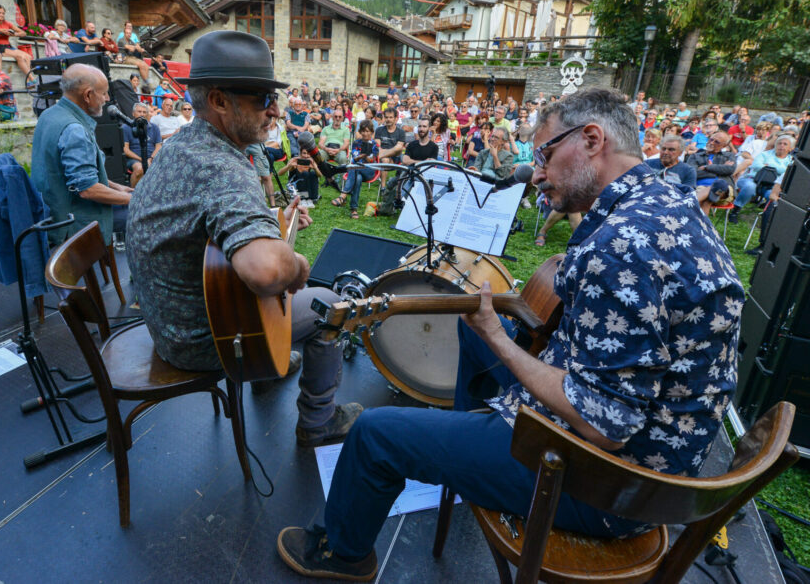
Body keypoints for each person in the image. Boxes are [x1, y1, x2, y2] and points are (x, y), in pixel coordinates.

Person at [277, 88, 745, 581]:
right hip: (647, 451)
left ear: (591, 140)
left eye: (544, 153)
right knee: (476, 326)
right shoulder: (664, 199)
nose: (537, 171)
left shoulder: (622, 247)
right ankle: (468, 455)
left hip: (610, 483)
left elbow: (604, 425)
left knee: (376, 434)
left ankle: (345, 556)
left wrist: (502, 342)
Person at [124, 30, 360, 447]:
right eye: (261, 99)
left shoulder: (183, 147)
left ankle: (271, 367)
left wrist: (275, 224)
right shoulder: (221, 166)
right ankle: (318, 421)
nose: (274, 110)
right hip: (207, 337)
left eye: (275, 98)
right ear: (218, 100)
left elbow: (209, 226)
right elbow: (266, 270)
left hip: (169, 323)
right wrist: (297, 264)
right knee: (332, 305)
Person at [30, 64, 133, 246]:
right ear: (87, 95)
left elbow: (72, 177)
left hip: (54, 213)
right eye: (104, 93)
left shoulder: (49, 115)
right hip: (75, 222)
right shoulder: (75, 130)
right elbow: (87, 189)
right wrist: (137, 199)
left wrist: (117, 188)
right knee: (145, 215)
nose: (107, 99)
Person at [732, 135, 794, 219]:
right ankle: (735, 210)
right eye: (779, 143)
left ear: (790, 148)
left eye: (785, 144)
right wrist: (778, 169)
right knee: (749, 187)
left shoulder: (791, 160)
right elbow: (756, 165)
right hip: (752, 179)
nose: (781, 145)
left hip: (772, 186)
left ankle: (767, 217)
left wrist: (767, 166)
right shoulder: (764, 154)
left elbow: (786, 173)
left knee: (773, 196)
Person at [333, 120, 379, 219]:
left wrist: (366, 155)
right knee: (357, 177)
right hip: (357, 169)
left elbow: (372, 160)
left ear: (371, 132)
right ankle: (354, 210)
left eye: (367, 131)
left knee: (354, 167)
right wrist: (360, 156)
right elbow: (354, 157)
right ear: (360, 132)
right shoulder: (356, 143)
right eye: (363, 131)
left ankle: (343, 195)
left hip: (369, 171)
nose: (365, 133)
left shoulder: (374, 144)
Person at [689, 131, 738, 215]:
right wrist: (720, 169)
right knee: (707, 201)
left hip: (723, 191)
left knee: (714, 188)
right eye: (711, 139)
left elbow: (730, 169)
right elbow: (691, 173)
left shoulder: (728, 155)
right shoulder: (695, 156)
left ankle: (687, 205)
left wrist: (707, 167)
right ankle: (702, 227)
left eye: (717, 142)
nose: (711, 142)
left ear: (724, 146)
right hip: (699, 187)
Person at [0, 4, 33, 78]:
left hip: (8, 46)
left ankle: (28, 80)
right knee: (19, 56)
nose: (2, 15)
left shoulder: (7, 23)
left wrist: (14, 34)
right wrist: (1, 31)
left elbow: (23, 33)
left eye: (3, 13)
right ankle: (31, 79)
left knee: (28, 56)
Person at [124, 102, 162, 186]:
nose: (142, 114)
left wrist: (151, 159)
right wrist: (143, 160)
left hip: (151, 158)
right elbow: (125, 149)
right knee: (140, 169)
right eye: (139, 111)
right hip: (135, 159)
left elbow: (158, 146)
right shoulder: (126, 127)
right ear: (133, 113)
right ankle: (133, 195)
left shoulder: (154, 127)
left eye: (144, 112)